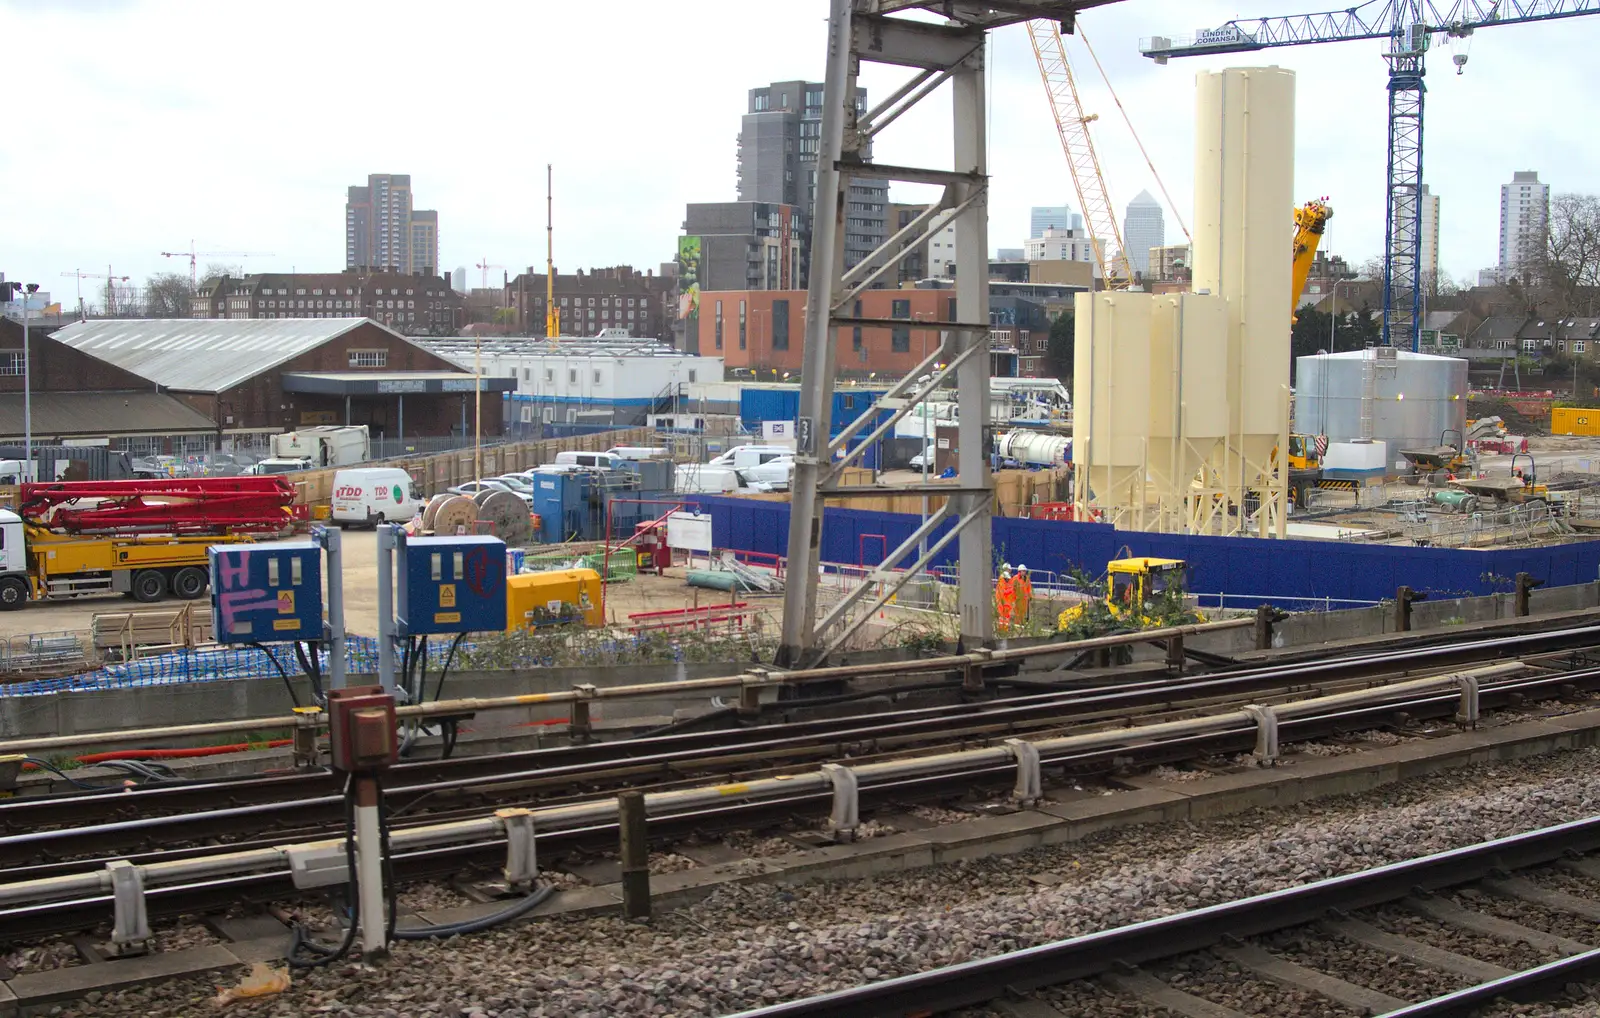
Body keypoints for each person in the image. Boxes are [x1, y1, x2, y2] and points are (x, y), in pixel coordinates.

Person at [995, 564, 1016, 633]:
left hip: (1007, 601)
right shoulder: (1002, 578)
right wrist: (1011, 590)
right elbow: (1003, 591)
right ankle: (1002, 629)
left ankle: (1005, 629)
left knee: (1006, 617)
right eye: (1009, 569)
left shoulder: (1008, 578)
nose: (1010, 571)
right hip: (1002, 601)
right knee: (1002, 616)